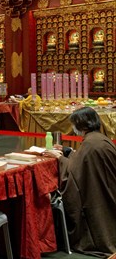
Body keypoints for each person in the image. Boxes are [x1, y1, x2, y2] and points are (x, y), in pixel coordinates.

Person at [44, 107, 116, 256]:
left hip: (97, 194)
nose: (73, 128)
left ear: (81, 125)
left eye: (74, 124)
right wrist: (67, 151)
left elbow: (74, 172)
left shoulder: (90, 143)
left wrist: (58, 158)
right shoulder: (100, 138)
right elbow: (84, 161)